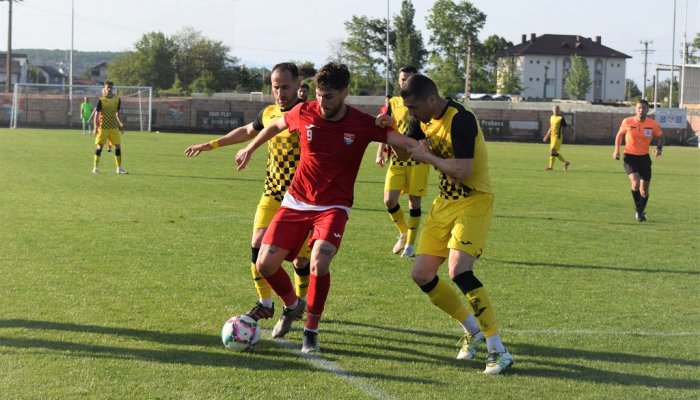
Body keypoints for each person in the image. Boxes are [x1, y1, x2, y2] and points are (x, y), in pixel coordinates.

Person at [234, 62, 417, 353]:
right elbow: (274, 126)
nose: (322, 101)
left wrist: (437, 158)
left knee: (319, 262)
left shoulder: (361, 123)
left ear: (345, 93)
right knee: (264, 264)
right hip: (296, 201)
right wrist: (249, 148)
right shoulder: (304, 112)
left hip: (333, 206)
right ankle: (293, 306)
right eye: (319, 94)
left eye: (329, 96)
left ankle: (311, 331)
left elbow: (405, 145)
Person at [395, 74, 513, 375]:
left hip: (474, 199)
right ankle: (471, 331)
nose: (411, 113)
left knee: (459, 269)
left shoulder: (461, 119)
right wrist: (389, 134)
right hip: (444, 202)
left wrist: (428, 156)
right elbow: (406, 152)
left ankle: (497, 349)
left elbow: (462, 169)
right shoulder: (419, 119)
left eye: (414, 107)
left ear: (431, 100)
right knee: (421, 274)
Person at [184, 62, 310, 320]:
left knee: (300, 262)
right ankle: (266, 303)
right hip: (273, 193)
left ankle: (300, 304)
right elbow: (245, 131)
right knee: (256, 245)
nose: (280, 92)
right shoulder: (269, 113)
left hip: (302, 201)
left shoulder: (309, 113)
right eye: (276, 87)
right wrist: (212, 144)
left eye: (285, 86)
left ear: (298, 86)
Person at [375, 66, 429, 258]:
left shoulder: (423, 103)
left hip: (418, 160)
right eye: (402, 79)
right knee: (389, 201)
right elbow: (385, 129)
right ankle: (404, 232)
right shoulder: (393, 102)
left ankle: (411, 245)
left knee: (414, 203)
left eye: (408, 79)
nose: (404, 82)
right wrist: (380, 151)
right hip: (397, 159)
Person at [613, 99, 665, 222]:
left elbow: (662, 138)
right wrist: (616, 150)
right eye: (639, 108)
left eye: (644, 108)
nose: (641, 110)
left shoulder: (652, 124)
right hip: (630, 157)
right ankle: (639, 210)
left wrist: (659, 149)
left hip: (644, 158)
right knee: (635, 183)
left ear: (647, 109)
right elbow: (619, 135)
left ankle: (640, 211)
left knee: (644, 190)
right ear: (635, 109)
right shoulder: (627, 121)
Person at [92, 81, 127, 174]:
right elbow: (96, 114)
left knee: (118, 146)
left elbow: (117, 113)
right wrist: (95, 127)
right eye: (107, 87)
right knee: (99, 146)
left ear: (113, 88)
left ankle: (119, 168)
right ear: (104, 88)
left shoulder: (117, 99)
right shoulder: (101, 100)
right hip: (103, 127)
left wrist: (120, 123)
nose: (109, 89)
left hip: (113, 127)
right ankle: (95, 167)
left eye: (111, 87)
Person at [542, 105, 570, 171]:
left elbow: (566, 127)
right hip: (552, 137)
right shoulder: (551, 117)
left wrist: (567, 136)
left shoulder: (561, 118)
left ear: (559, 110)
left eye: (557, 110)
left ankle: (550, 167)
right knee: (553, 152)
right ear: (552, 110)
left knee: (552, 151)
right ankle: (565, 162)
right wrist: (546, 136)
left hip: (558, 136)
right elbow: (551, 127)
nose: (555, 111)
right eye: (554, 110)